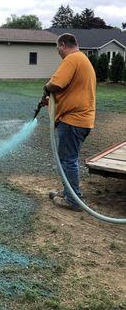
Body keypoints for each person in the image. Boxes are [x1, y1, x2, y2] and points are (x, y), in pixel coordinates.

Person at [43, 33, 96, 211]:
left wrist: (46, 88)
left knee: (68, 160)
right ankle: (68, 192)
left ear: (64, 45)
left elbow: (56, 84)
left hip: (73, 121)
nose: (58, 51)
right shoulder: (82, 60)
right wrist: (50, 100)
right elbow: (69, 90)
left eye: (58, 48)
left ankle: (73, 200)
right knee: (68, 159)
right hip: (81, 119)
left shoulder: (71, 59)